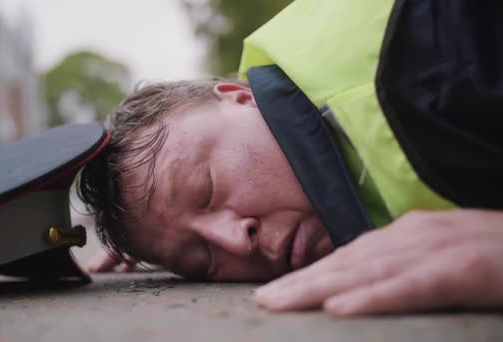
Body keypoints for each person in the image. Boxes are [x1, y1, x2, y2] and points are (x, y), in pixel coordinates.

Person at [78, 0, 503, 316]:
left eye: (206, 189)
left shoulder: (439, 53)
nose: (233, 241)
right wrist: (162, 227)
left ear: (240, 94)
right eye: (203, 260)